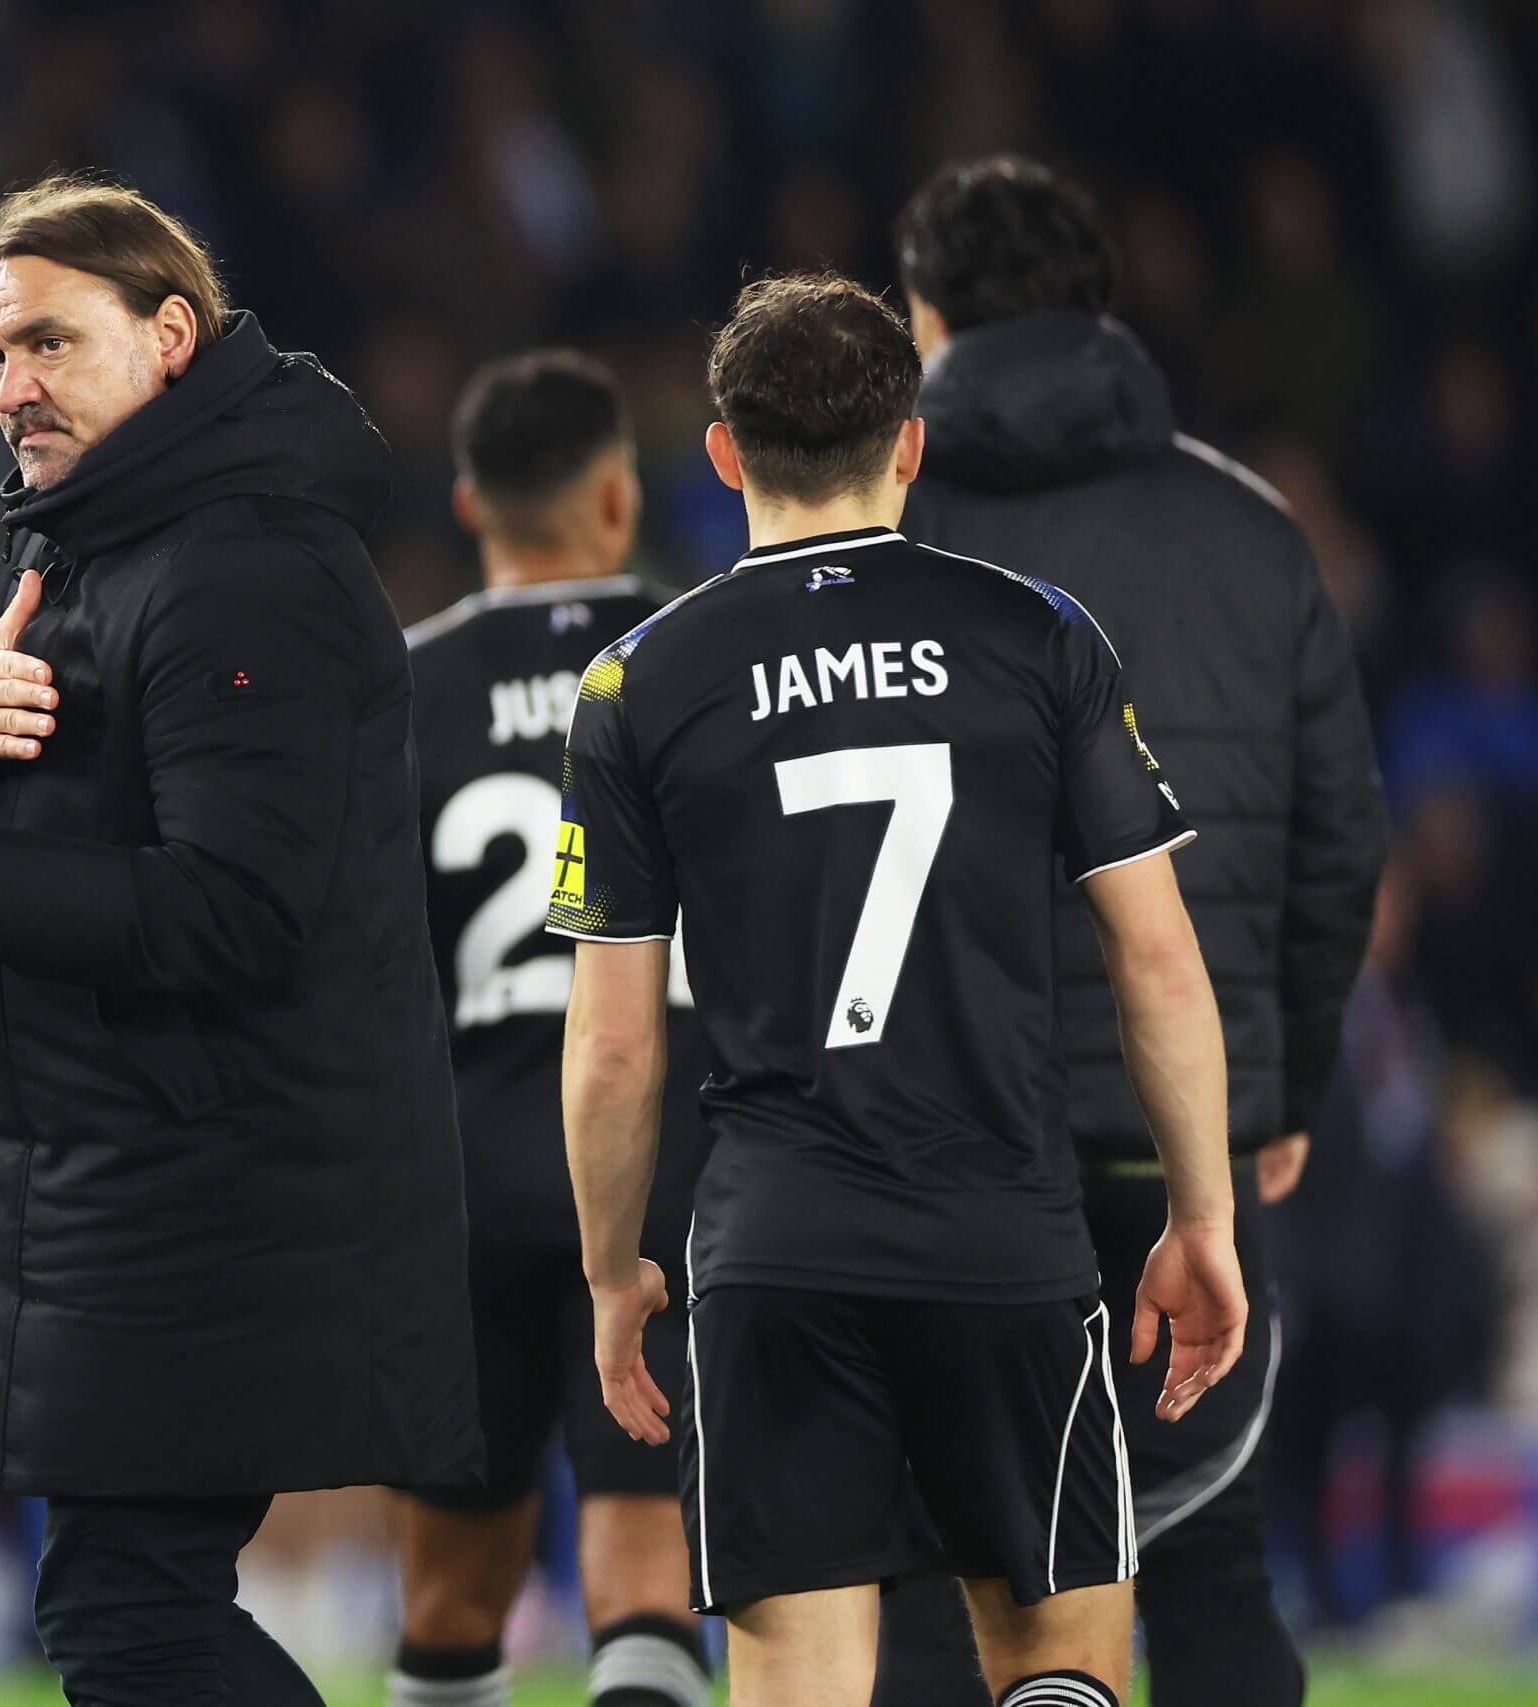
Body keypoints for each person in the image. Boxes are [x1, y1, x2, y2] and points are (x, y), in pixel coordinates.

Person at [0, 174, 483, 1706]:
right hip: (144, 1168)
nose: (12, 387)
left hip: (230, 1185)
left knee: (127, 1613)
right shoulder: (96, 537)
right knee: (126, 1603)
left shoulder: (242, 566)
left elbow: (241, 910)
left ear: (170, 336)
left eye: (49, 342)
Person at [553, 273, 1247, 1707]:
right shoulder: (1042, 635)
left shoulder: (637, 683)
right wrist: (1202, 1216)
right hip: (1003, 1235)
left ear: (725, 451)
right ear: (912, 442)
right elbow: (1158, 956)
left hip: (774, 1249)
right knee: (1062, 1670)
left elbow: (617, 1048)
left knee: (801, 1678)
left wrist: (615, 1268)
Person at [886, 155, 1388, 1707]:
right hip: (1179, 1134)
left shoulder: (887, 527)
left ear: (931, 315)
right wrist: (1278, 1092)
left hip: (942, 1133)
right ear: (1098, 309)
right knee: (1206, 1552)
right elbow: (1336, 847)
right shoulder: (1249, 531)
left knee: (924, 1560)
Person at [393, 351, 709, 1707]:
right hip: (666, 1168)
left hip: (460, 1184)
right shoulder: (704, 656)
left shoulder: (402, 686)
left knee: (452, 1587)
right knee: (642, 1562)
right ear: (619, 500)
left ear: (472, 504)